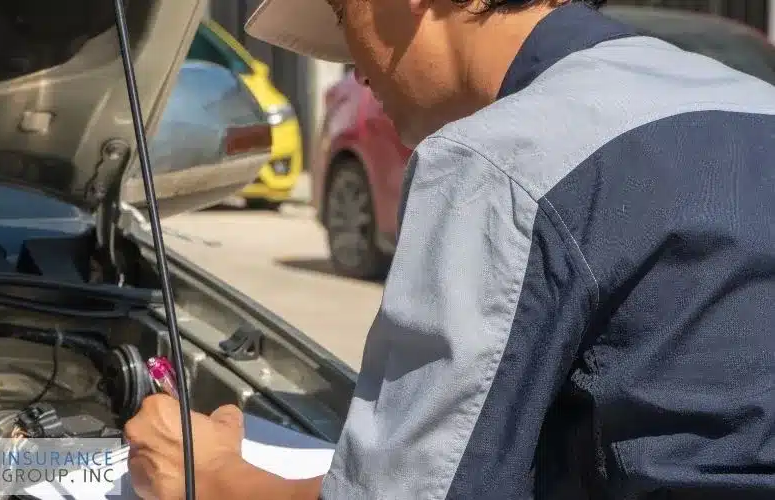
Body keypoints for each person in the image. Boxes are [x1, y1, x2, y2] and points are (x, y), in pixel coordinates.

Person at [124, 0, 775, 498]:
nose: (353, 64)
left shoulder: (502, 159)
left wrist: (209, 476)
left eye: (345, 16)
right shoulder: (752, 103)